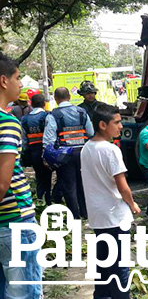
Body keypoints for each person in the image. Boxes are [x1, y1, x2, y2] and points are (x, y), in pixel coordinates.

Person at [81, 104, 140, 299]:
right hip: (115, 217)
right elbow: (123, 187)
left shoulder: (86, 148)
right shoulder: (111, 150)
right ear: (102, 125)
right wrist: (132, 204)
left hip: (98, 217)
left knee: (104, 269)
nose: (121, 126)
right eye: (117, 122)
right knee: (120, 273)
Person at [0, 53, 42, 298]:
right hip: (16, 221)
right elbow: (3, 183)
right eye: (17, 78)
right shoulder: (7, 122)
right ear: (4, 81)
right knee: (25, 293)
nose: (21, 84)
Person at [44, 87, 94, 219]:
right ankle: (86, 212)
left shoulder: (53, 115)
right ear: (69, 97)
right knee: (83, 183)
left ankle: (75, 216)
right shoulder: (82, 112)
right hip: (82, 152)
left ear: (55, 99)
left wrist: (47, 157)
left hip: (64, 155)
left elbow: (49, 140)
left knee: (69, 186)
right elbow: (90, 133)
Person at [21, 94, 53, 205]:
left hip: (33, 151)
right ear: (44, 104)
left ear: (31, 104)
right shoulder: (47, 116)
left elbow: (24, 140)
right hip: (46, 150)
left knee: (39, 176)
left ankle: (40, 199)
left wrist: (25, 153)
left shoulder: (25, 119)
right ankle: (48, 200)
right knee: (47, 176)